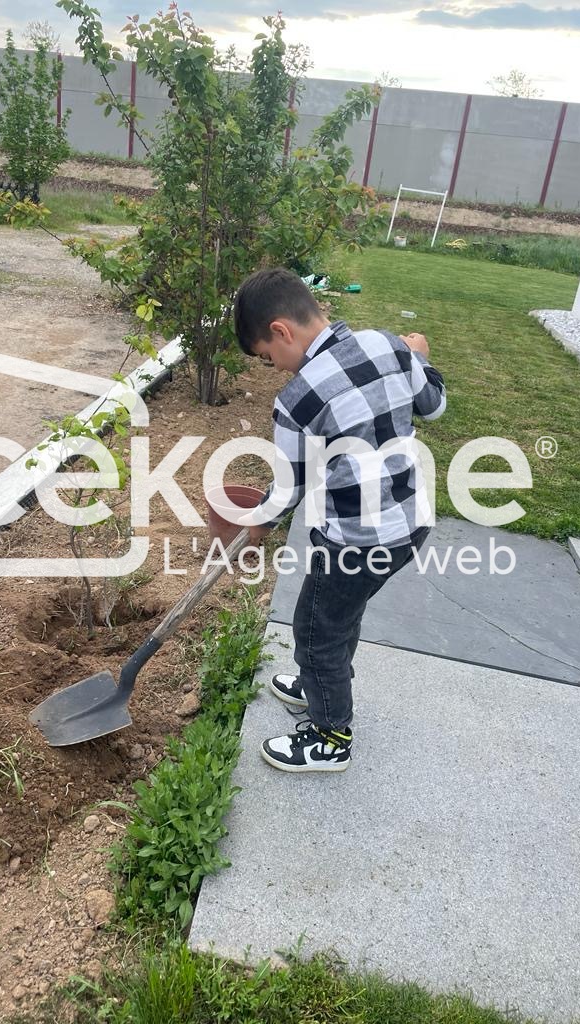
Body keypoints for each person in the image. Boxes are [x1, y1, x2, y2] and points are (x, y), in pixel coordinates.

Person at [233, 267, 447, 773]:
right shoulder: (389, 346)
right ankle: (320, 687)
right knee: (340, 614)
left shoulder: (297, 399)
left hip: (355, 538)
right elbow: (433, 406)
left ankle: (330, 737)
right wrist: (421, 358)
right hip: (410, 523)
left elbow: (289, 487)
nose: (277, 368)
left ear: (282, 330)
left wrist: (257, 524)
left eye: (268, 356)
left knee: (315, 632)